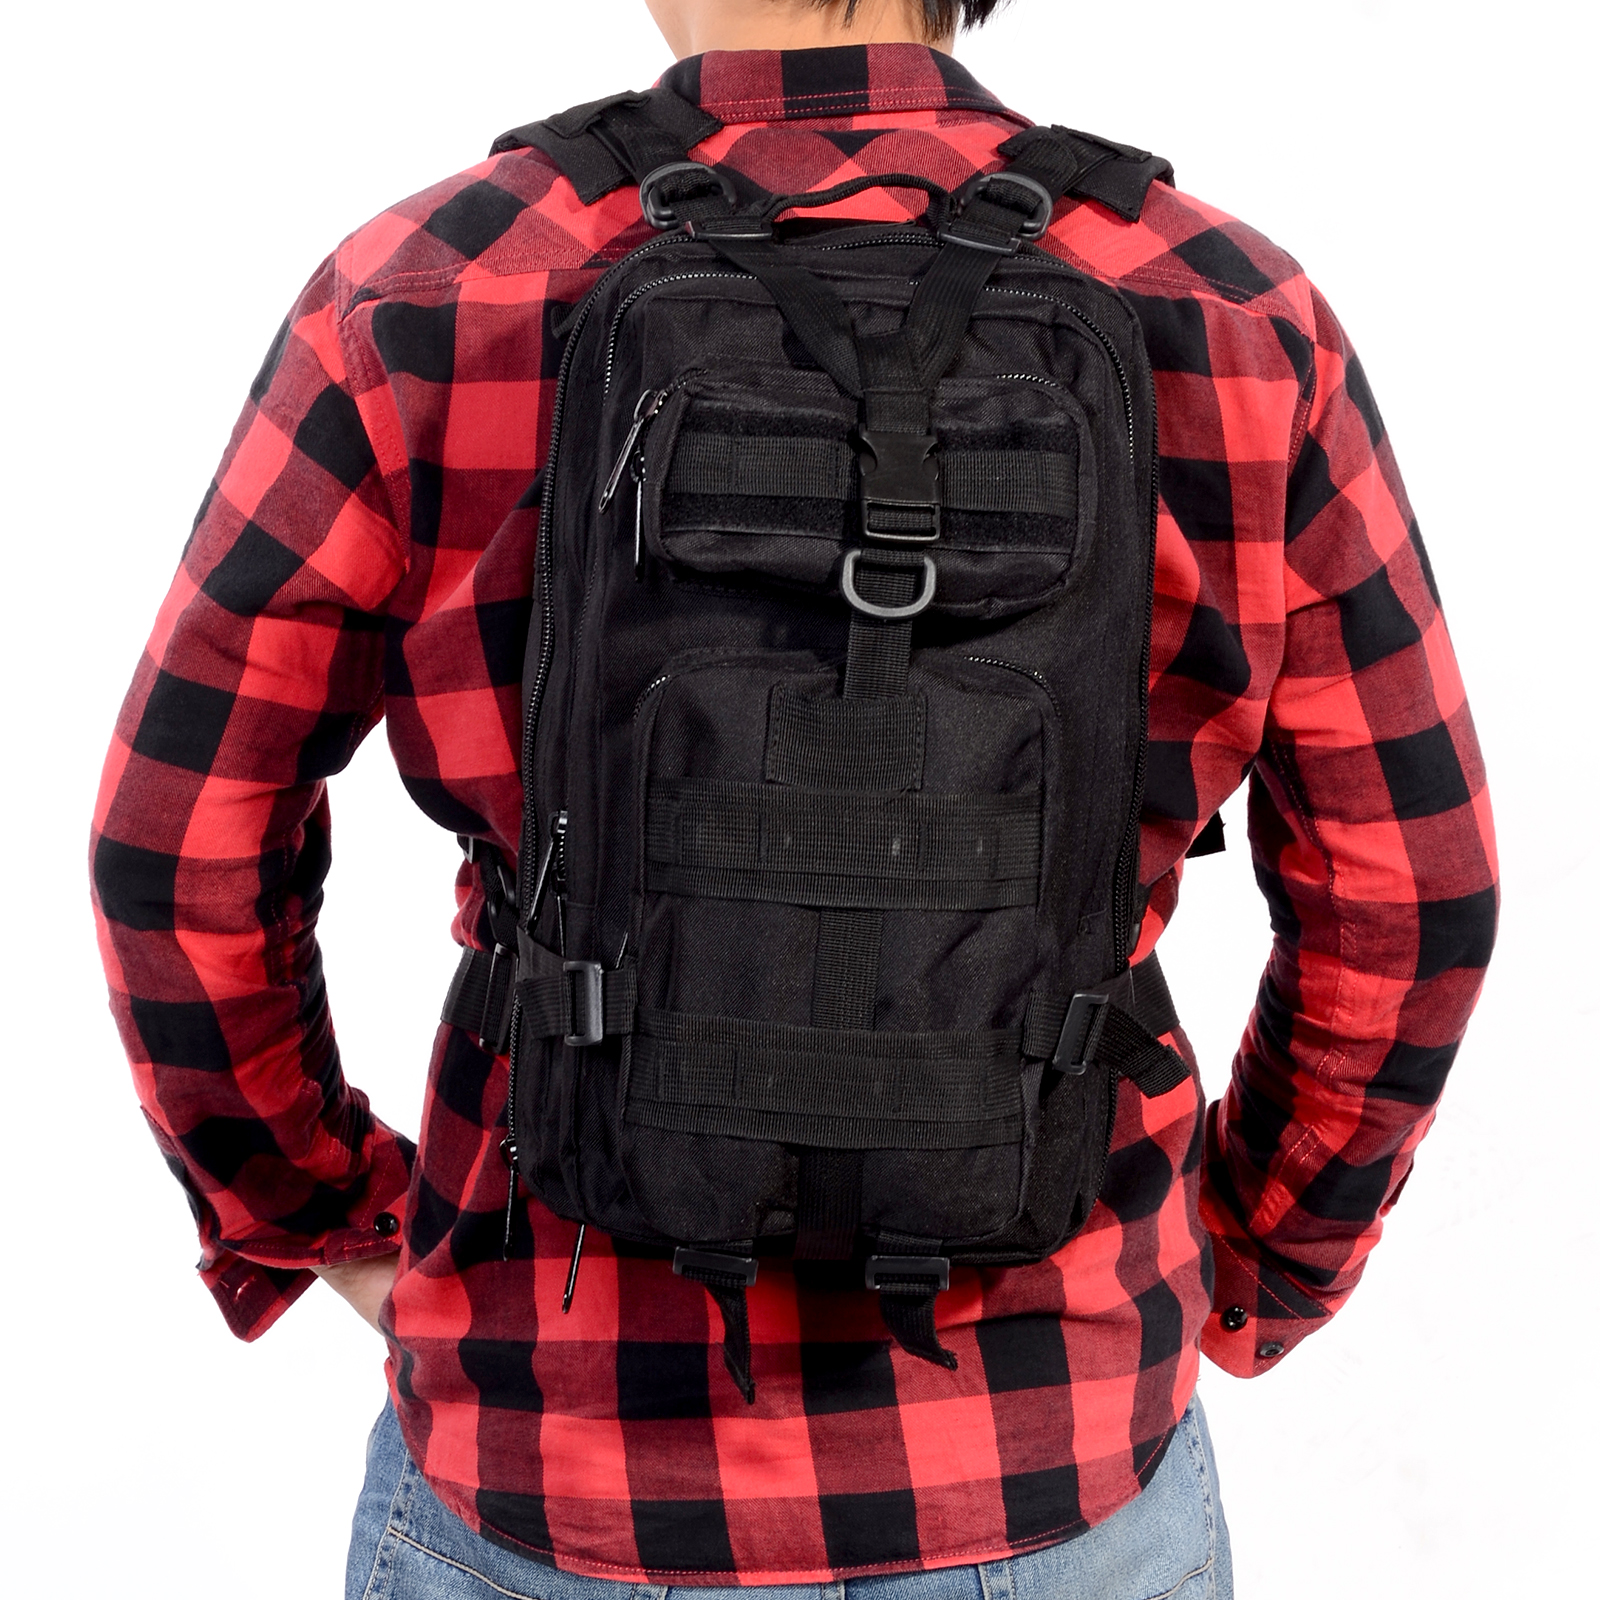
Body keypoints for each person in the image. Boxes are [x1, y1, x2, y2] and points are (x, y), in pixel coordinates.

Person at [89, 0, 1497, 1595]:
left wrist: (320, 1213)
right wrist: (1252, 1258)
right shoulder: (1231, 312)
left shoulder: (425, 290)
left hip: (556, 1461)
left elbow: (176, 848)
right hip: (1057, 1453)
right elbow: (1415, 895)